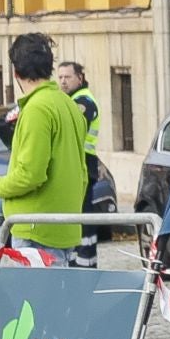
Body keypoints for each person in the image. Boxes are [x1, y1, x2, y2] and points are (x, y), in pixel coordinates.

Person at [0, 33, 88, 265]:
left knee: (37, 301)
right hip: (63, 223)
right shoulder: (68, 105)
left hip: (36, 228)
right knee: (55, 300)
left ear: (15, 72)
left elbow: (31, 174)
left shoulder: (37, 109)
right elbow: (80, 172)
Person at [56, 60, 102, 268]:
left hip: (82, 164)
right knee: (78, 215)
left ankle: (84, 264)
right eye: (60, 77)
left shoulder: (84, 101)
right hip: (77, 164)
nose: (63, 82)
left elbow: (69, 128)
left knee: (81, 216)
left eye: (68, 77)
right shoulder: (70, 99)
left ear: (80, 78)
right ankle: (81, 261)